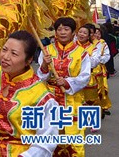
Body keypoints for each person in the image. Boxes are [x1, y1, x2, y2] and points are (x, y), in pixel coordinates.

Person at [38, 17, 90, 157]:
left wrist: (67, 82)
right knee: (49, 138)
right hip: (50, 100)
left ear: (73, 33)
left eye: (66, 29)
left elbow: (85, 77)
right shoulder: (46, 50)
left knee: (74, 141)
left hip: (73, 101)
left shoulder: (82, 53)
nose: (62, 32)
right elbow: (39, 78)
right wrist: (44, 65)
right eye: (59, 29)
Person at [76, 24, 100, 108]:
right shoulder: (72, 46)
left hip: (88, 79)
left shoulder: (93, 48)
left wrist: (82, 57)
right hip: (74, 78)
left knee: (90, 103)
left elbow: (95, 62)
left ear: (89, 36)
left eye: (84, 33)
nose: (81, 34)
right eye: (80, 32)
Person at [90, 24, 112, 116]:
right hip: (89, 71)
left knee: (102, 89)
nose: (97, 35)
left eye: (99, 33)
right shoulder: (87, 43)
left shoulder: (103, 43)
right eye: (95, 33)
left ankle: (103, 106)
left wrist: (99, 60)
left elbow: (107, 55)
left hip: (100, 69)